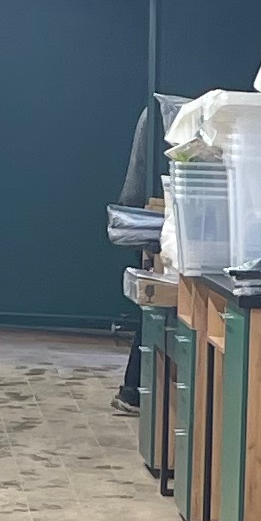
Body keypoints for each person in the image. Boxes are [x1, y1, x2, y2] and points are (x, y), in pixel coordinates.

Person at [115, 95, 158, 409]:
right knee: (151, 311)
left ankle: (133, 390)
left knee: (149, 311)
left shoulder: (152, 113)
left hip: (141, 218)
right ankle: (133, 389)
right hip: (148, 220)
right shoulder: (159, 115)